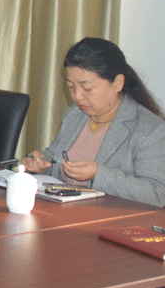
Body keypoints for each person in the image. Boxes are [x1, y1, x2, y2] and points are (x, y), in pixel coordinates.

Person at [22, 38, 165, 207]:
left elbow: (157, 194)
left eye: (87, 88)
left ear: (118, 83)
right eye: (71, 87)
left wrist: (98, 174)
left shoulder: (150, 129)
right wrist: (40, 165)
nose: (77, 96)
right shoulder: (75, 115)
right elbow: (52, 159)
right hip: (63, 213)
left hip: (109, 219)